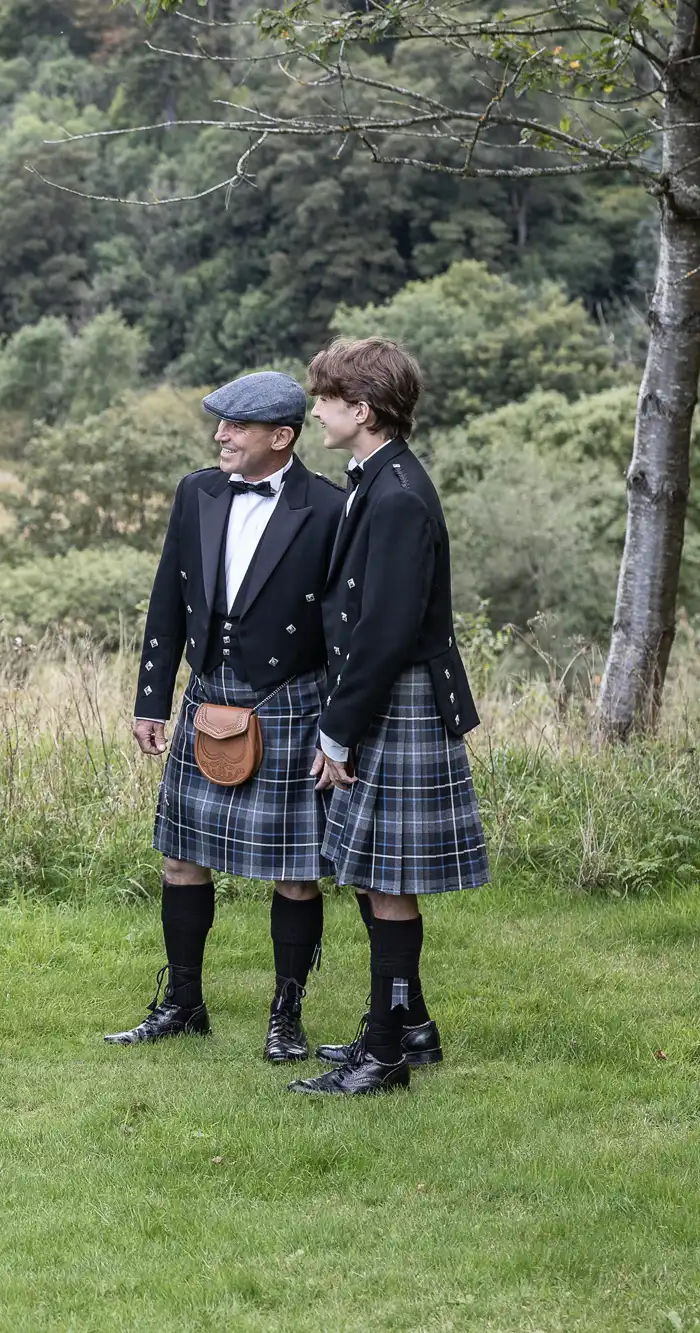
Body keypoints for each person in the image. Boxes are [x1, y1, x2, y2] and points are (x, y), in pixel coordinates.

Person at [110, 372, 347, 1061]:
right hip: (207, 691)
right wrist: (152, 698)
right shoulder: (197, 492)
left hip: (289, 699)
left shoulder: (329, 508)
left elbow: (340, 629)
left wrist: (339, 727)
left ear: (283, 436)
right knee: (181, 857)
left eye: (236, 427)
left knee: (295, 869)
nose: (221, 436)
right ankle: (184, 1003)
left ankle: (287, 1014)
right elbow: (165, 598)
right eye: (219, 424)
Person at [292, 336, 489, 1096]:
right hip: (384, 692)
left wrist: (336, 729)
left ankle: (384, 1056)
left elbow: (386, 627)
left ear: (361, 410)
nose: (316, 410)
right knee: (376, 873)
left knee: (386, 876)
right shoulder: (379, 477)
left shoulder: (399, 493)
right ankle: (410, 1026)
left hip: (395, 695)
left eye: (325, 399)